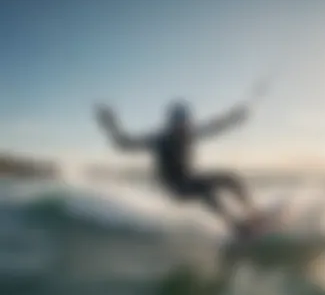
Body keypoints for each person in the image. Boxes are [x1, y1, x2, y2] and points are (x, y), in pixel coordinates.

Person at [95, 99, 257, 231]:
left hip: (189, 179)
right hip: (173, 187)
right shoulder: (161, 139)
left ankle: (253, 213)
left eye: (185, 121)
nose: (183, 126)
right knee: (207, 192)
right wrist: (111, 125)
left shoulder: (189, 134)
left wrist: (235, 118)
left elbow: (214, 127)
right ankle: (235, 227)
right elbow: (125, 143)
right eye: (178, 122)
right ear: (171, 123)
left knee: (229, 178)